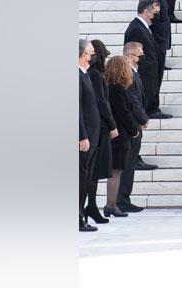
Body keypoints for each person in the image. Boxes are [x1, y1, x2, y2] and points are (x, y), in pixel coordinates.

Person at [115, 41, 155, 213]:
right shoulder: (127, 75)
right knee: (127, 166)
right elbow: (133, 101)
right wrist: (142, 118)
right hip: (131, 126)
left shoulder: (133, 73)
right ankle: (122, 200)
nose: (142, 57)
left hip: (134, 125)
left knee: (129, 165)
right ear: (131, 57)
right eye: (140, 54)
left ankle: (124, 199)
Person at [102, 54, 142, 219]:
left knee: (116, 171)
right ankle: (111, 205)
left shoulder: (110, 87)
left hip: (117, 135)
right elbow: (124, 113)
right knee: (116, 172)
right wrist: (134, 130)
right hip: (120, 136)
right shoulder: (117, 89)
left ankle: (112, 204)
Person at [124, 0, 173, 120]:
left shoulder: (143, 26)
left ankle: (152, 108)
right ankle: (150, 110)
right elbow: (133, 52)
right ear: (146, 12)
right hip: (145, 72)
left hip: (150, 70)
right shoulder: (136, 28)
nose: (157, 16)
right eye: (155, 13)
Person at [85, 41, 117, 224]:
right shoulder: (96, 75)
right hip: (100, 128)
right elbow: (102, 102)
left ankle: (92, 206)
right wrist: (112, 125)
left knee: (95, 172)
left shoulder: (95, 74)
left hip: (99, 127)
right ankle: (91, 206)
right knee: (94, 172)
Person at [136, 0, 173, 103]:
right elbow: (150, 14)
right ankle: (152, 106)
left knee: (157, 72)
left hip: (159, 35)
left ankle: (153, 105)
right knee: (155, 74)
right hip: (157, 36)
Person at [79, 39, 102, 232]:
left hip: (92, 136)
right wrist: (82, 135)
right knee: (80, 178)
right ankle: (78, 218)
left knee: (86, 178)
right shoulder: (77, 76)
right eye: (89, 53)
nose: (92, 56)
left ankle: (81, 215)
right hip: (84, 137)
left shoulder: (85, 74)